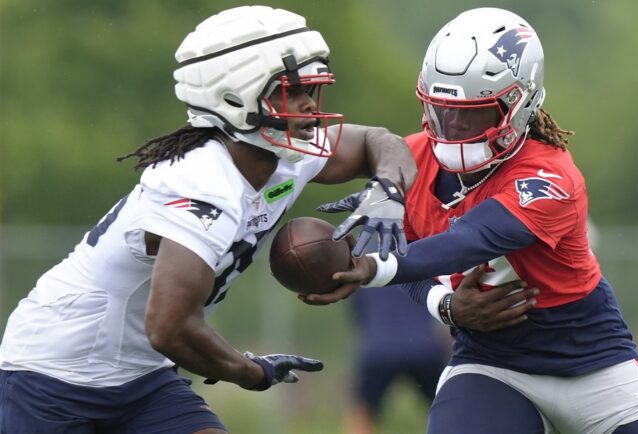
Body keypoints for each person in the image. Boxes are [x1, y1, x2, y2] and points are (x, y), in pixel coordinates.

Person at [0, 5, 417, 434]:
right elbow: (170, 327)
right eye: (290, 91)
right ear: (235, 99)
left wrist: (388, 193)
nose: (309, 104)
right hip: (54, 374)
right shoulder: (199, 183)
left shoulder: (283, 155)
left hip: (142, 375)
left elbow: (380, 141)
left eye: (310, 89)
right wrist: (251, 371)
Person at [309, 7, 638, 434]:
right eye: (442, 111)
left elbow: (472, 238)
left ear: (518, 104)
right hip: (493, 364)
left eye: (472, 113)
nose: (452, 126)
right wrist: (444, 305)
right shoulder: (413, 161)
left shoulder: (550, 174)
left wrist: (371, 268)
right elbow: (321, 152)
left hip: (593, 363)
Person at [343, 244, 451, 434]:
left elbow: (358, 313)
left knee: (363, 414)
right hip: (424, 346)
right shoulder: (422, 251)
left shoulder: (361, 259)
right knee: (446, 413)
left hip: (379, 347)